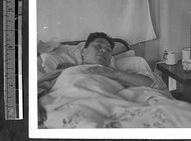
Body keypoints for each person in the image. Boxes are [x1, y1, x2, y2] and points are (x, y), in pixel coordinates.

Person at [38, 32, 166, 125]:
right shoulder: (65, 70)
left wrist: (117, 75)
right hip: (72, 105)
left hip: (114, 106)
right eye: (98, 46)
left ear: (110, 57)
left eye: (108, 50)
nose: (104, 50)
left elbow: (154, 83)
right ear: (83, 52)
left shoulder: (120, 73)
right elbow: (40, 87)